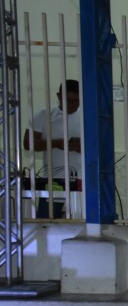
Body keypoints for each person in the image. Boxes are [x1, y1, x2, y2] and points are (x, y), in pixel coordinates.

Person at [22, 80, 82, 218]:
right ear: (58, 96)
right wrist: (56, 143)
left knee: (82, 223)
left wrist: (81, 147)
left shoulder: (87, 116)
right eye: (68, 100)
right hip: (52, 181)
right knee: (45, 222)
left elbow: (99, 145)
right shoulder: (44, 115)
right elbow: (27, 143)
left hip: (81, 180)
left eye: (76, 101)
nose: (71, 104)